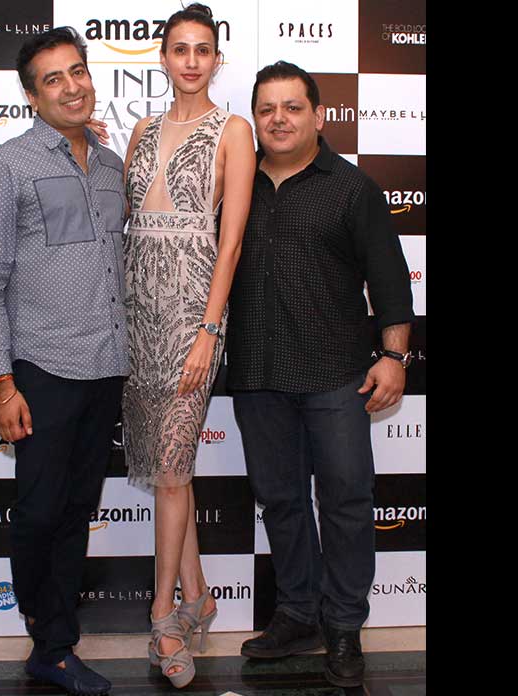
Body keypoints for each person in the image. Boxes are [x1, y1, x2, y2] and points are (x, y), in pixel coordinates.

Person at [226, 61, 415, 689]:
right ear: (256, 117)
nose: (278, 119)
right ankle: (298, 614)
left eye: (293, 107)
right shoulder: (235, 181)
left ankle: (344, 625)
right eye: (267, 109)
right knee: (280, 500)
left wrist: (394, 357)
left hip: (337, 374)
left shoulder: (353, 188)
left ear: (319, 115)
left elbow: (390, 281)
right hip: (256, 372)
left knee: (346, 501)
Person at [0, 26, 128, 696]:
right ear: (32, 97)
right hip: (42, 370)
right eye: (53, 79)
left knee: (76, 511)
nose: (71, 86)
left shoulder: (113, 166)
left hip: (107, 366)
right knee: (39, 513)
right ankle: (45, 628)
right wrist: (3, 385)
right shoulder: (6, 165)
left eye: (77, 71)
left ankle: (55, 648)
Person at [121, 3, 256, 689]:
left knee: (171, 466)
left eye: (204, 49)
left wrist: (208, 329)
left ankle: (162, 618)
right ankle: (199, 596)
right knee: (168, 466)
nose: (192, 60)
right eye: (181, 49)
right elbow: (127, 221)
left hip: (192, 316)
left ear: (217, 59)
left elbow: (230, 243)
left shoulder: (234, 130)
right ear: (164, 58)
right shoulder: (141, 129)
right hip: (137, 314)